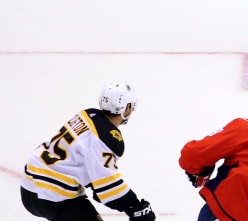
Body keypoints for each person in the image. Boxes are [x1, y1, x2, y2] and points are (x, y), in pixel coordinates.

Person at [20, 82, 155, 221]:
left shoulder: (87, 114)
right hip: (54, 196)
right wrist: (135, 207)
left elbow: (85, 166)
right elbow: (108, 188)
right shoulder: (107, 137)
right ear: (127, 108)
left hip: (29, 185)